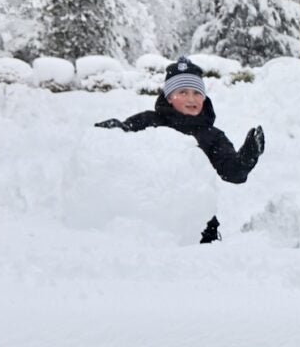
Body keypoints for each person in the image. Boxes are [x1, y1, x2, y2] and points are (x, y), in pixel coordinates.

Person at [95, 56, 265, 243]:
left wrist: (248, 156)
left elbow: (233, 172)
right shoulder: (148, 121)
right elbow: (123, 139)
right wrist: (114, 129)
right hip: (151, 215)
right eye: (183, 92)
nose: (191, 99)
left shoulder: (212, 136)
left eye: (197, 93)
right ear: (169, 97)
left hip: (197, 223)